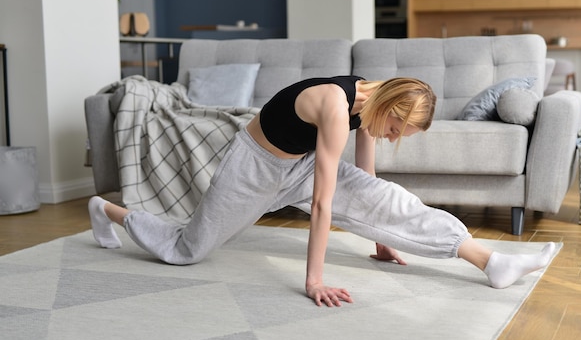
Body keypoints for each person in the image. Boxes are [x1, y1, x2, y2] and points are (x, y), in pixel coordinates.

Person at [89, 75, 556, 307]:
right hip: (252, 169)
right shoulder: (338, 104)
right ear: (389, 105)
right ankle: (106, 209)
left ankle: (490, 261)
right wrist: (313, 282)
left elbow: (371, 190)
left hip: (300, 164)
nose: (393, 137)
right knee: (187, 249)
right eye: (396, 128)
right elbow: (321, 203)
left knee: (394, 201)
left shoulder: (371, 106)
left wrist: (381, 240)